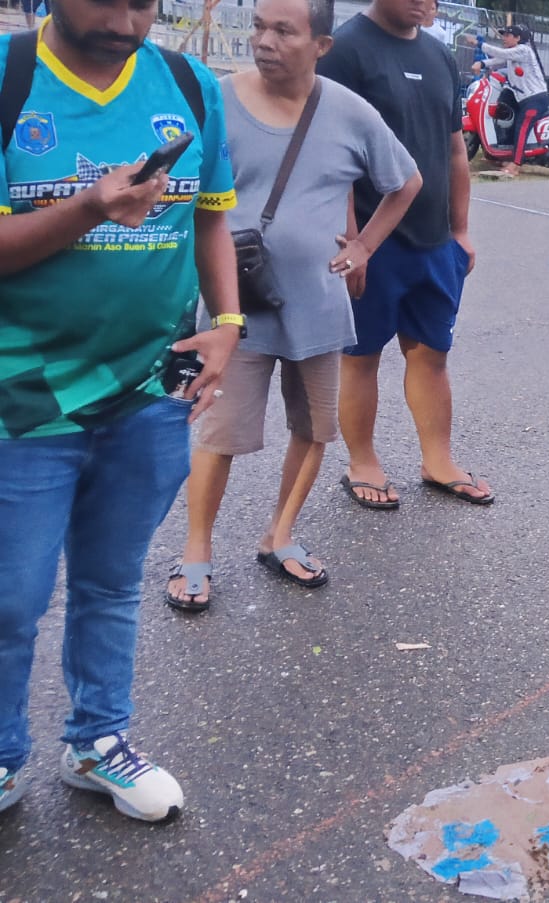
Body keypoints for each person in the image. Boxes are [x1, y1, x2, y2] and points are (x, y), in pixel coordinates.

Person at [0, 0, 241, 820]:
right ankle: (3, 755)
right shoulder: (9, 79)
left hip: (149, 390)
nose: (128, 18)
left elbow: (211, 222)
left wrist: (228, 324)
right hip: (22, 397)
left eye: (145, 2)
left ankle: (98, 741)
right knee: (11, 596)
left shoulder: (188, 84)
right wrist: (89, 208)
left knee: (110, 581)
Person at [165, 0, 423, 611]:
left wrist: (363, 246)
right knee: (218, 434)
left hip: (317, 307)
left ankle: (279, 536)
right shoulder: (218, 100)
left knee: (313, 430)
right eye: (259, 26)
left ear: (321, 46)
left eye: (284, 30)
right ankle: (196, 552)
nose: (264, 41)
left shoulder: (350, 112)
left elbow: (406, 181)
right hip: (236, 308)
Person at [319, 0, 491, 508]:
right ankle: (362, 462)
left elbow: (454, 147)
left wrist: (460, 230)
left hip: (435, 242)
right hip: (373, 243)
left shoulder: (439, 56)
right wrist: (354, 243)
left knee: (432, 356)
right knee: (360, 358)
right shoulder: (346, 51)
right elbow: (334, 156)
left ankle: (438, 460)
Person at [472, 24, 548, 177]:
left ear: (518, 38)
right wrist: (483, 64)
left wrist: (479, 44)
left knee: (522, 126)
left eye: (507, 35)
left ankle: (516, 165)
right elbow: (499, 58)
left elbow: (500, 53)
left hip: (534, 98)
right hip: (522, 98)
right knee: (506, 119)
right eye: (503, 35)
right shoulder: (513, 53)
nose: (504, 38)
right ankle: (502, 155)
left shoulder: (523, 50)